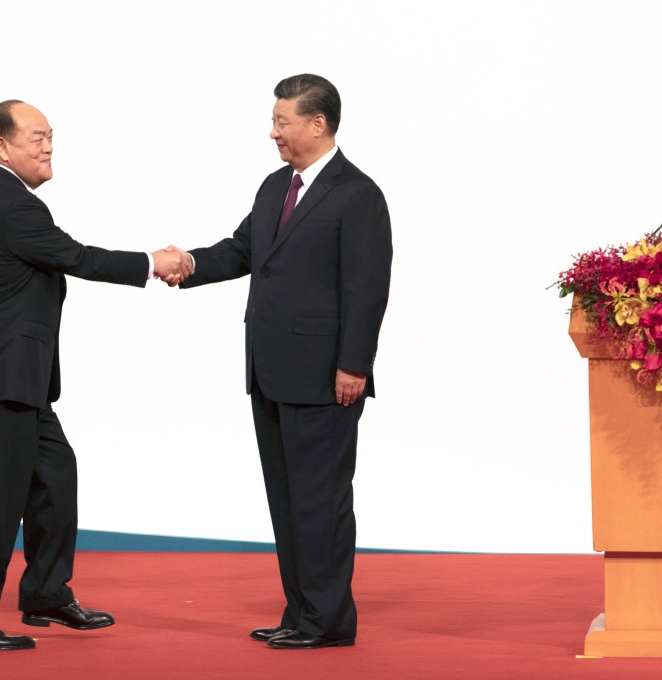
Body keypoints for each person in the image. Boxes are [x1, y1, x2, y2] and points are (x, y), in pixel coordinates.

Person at [0, 100, 192, 651]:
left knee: (56, 475)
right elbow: (77, 257)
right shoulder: (9, 204)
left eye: (51, 136)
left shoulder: (9, 201)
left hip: (21, 379)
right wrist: (151, 262)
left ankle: (46, 593)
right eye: (36, 137)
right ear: (1, 145)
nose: (48, 145)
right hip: (1, 378)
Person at [180, 74, 392, 649]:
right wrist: (190, 264)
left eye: (282, 121)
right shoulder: (276, 186)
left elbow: (367, 288)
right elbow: (244, 250)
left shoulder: (358, 194)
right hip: (270, 370)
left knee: (320, 500)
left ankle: (326, 621)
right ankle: (300, 612)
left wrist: (354, 365)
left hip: (327, 377)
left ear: (317, 123)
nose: (273, 131)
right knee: (287, 498)